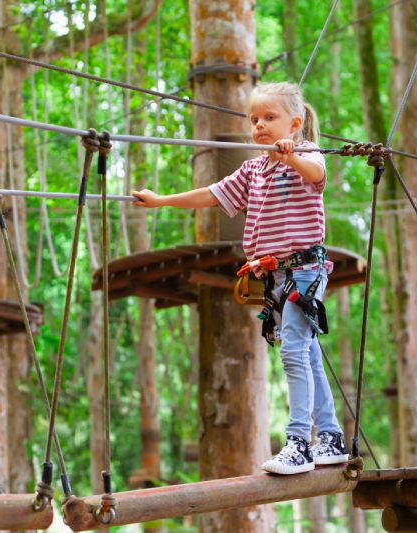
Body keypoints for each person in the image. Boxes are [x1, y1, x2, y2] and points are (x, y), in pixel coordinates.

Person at [131, 82, 348, 475]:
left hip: (304, 270)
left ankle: (299, 442)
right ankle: (330, 437)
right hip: (276, 276)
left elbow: (316, 174)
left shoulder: (306, 153)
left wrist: (292, 156)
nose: (260, 126)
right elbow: (212, 194)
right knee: (308, 353)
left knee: (293, 352)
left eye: (270, 118)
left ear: (294, 124)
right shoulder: (253, 170)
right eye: (254, 120)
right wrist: (161, 200)